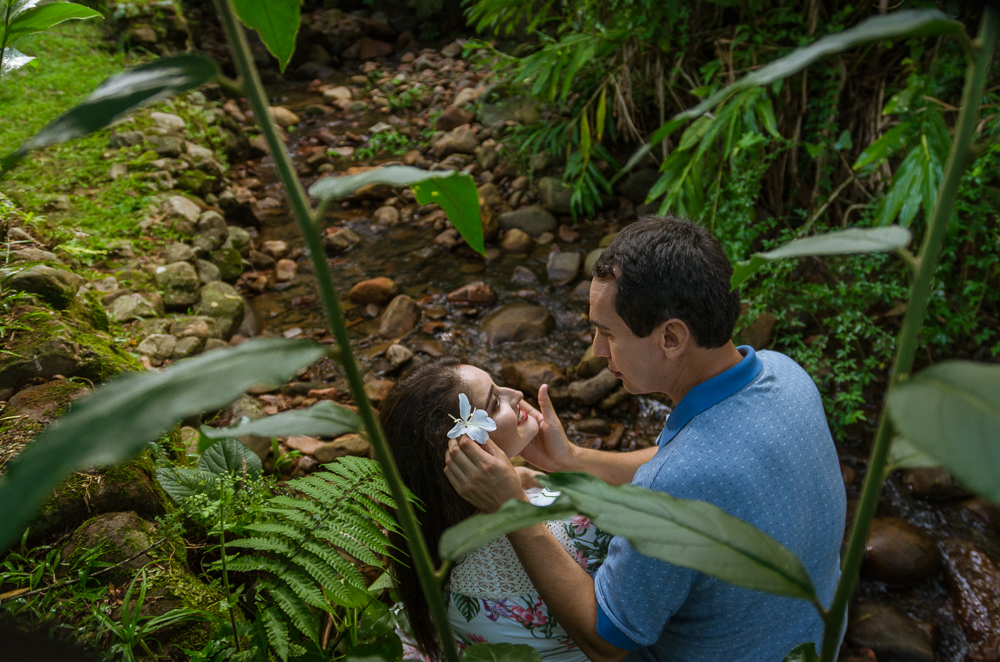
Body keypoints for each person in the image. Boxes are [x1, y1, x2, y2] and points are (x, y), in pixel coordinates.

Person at [444, 216, 847, 662]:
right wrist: (570, 459)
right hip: (814, 639)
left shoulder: (677, 483)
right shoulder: (785, 373)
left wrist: (511, 510)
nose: (597, 350)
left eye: (608, 333)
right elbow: (692, 463)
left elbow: (605, 639)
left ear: (671, 337)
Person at [378, 357, 613, 662]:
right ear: (466, 444)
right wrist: (566, 467)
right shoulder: (575, 524)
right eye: (495, 402)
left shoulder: (414, 541)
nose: (516, 394)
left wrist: (533, 473)